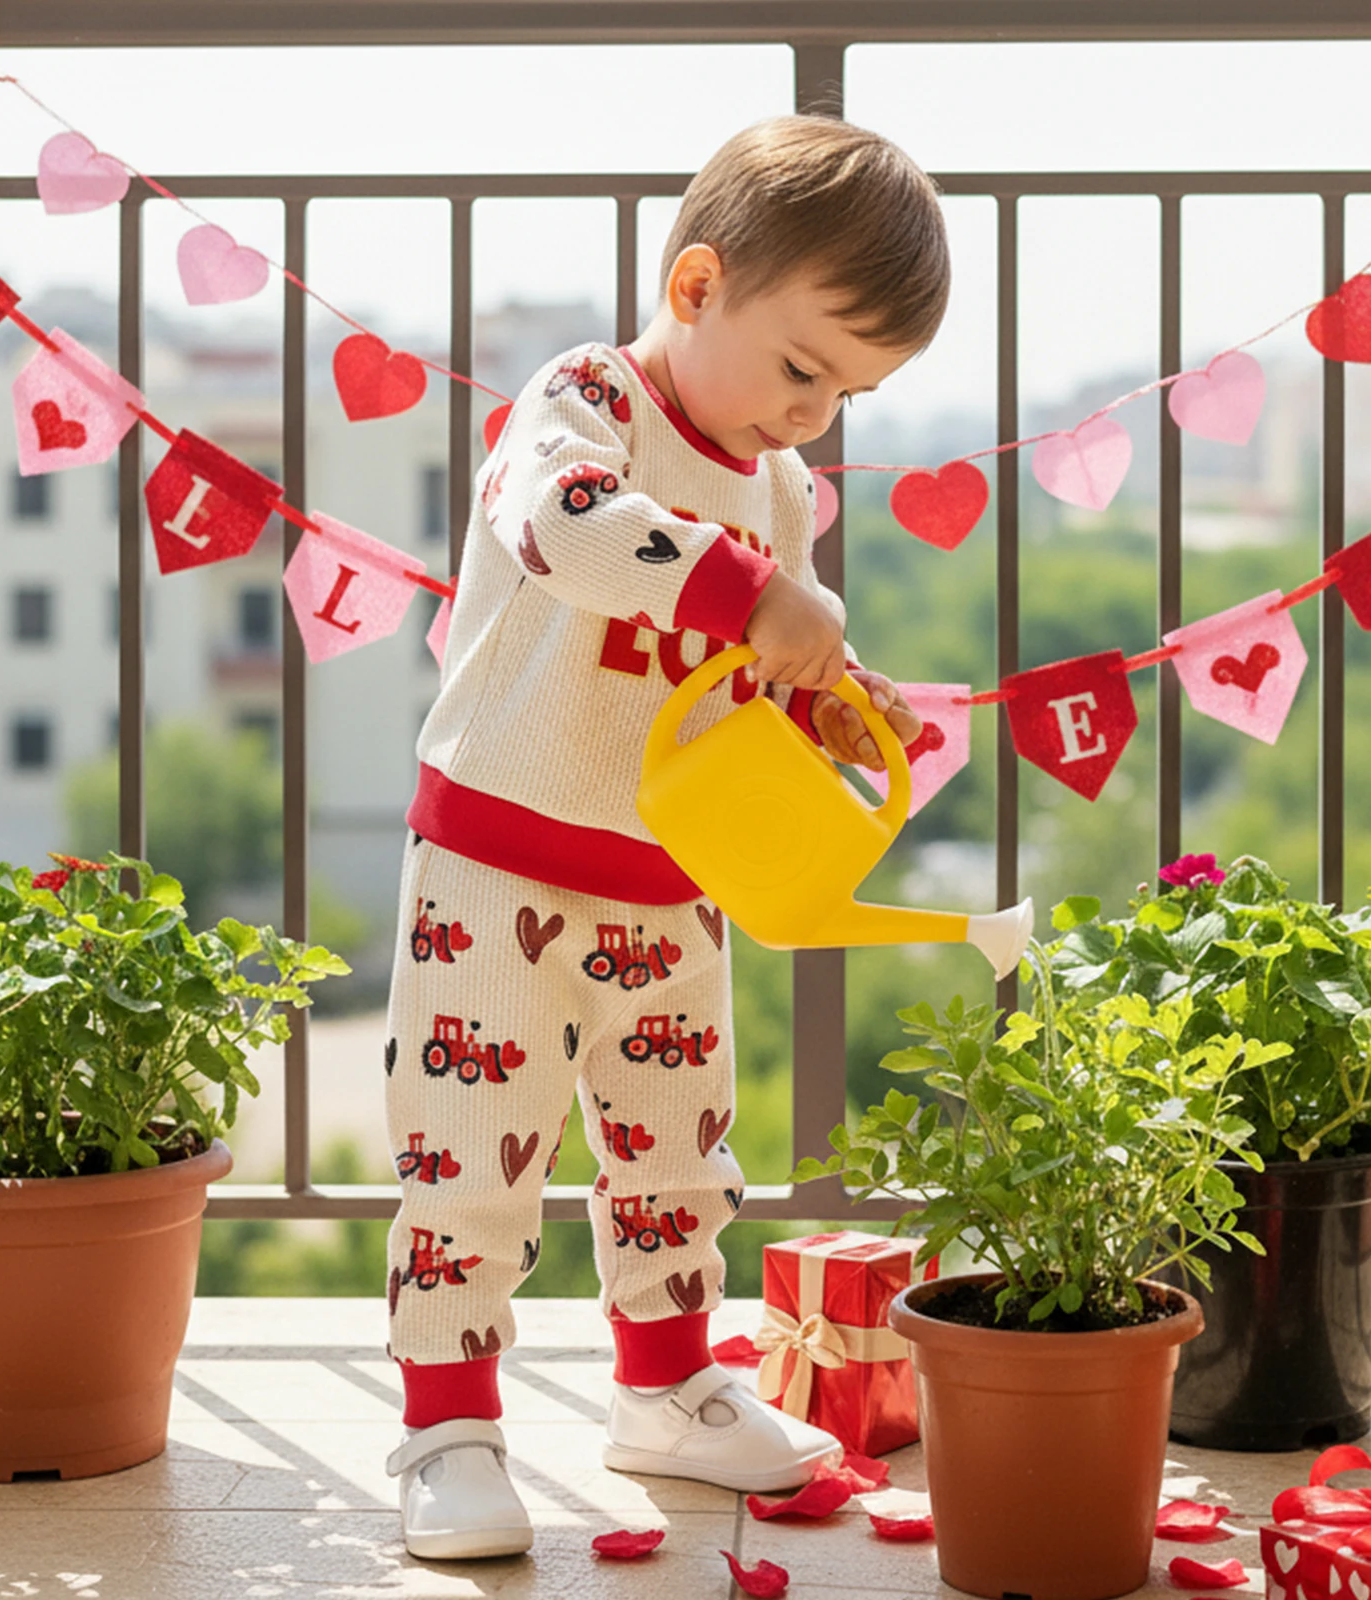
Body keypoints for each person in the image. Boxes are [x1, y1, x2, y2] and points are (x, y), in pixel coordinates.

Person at [381, 112, 950, 1560]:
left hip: (668, 874)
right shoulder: (586, 404)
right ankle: (449, 1424)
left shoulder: (776, 487)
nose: (813, 413)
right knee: (470, 1154)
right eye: (802, 368)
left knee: (677, 1152)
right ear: (696, 289)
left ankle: (671, 1387)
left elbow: (758, 646)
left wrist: (819, 692)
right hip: (496, 857)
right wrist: (748, 589)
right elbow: (565, 528)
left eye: (852, 392)